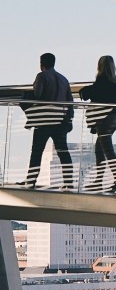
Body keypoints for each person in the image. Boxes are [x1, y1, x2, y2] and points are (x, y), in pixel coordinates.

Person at [20, 53, 74, 189]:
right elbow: (70, 102)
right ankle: (68, 182)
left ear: (42, 63)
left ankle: (31, 180)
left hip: (44, 120)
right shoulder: (64, 79)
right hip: (60, 121)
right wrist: (69, 120)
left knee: (37, 151)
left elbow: (37, 95)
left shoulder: (42, 76)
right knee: (63, 151)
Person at [79, 55, 116, 193]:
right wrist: (113, 108)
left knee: (107, 151)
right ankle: (99, 181)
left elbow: (90, 95)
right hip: (113, 119)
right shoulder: (115, 81)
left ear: (99, 66)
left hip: (103, 120)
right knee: (99, 150)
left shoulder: (100, 80)